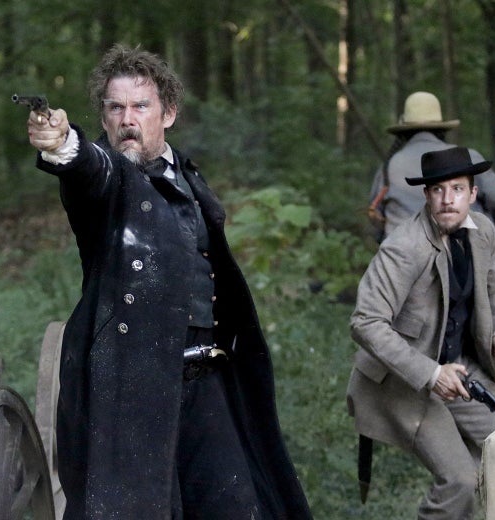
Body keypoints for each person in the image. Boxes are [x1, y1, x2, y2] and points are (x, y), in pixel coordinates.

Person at [26, 44, 312, 519]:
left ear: (169, 113)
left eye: (140, 106)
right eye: (115, 108)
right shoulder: (107, 177)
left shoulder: (188, 176)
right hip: (133, 386)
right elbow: (85, 169)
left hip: (205, 378)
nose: (126, 119)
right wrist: (61, 143)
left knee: (239, 504)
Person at [348, 146, 495, 519]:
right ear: (426, 195)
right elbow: (365, 322)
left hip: (462, 365)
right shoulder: (403, 246)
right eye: (438, 190)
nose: (447, 199)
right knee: (460, 480)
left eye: (457, 189)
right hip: (406, 377)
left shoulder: (483, 232)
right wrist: (431, 373)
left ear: (473, 194)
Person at [368, 91, 495, 292]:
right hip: (467, 268)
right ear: (441, 129)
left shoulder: (388, 167)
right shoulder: (467, 157)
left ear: (403, 132)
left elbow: (376, 222)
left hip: (405, 272)